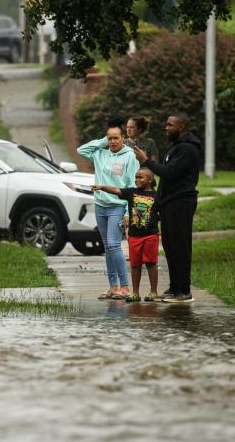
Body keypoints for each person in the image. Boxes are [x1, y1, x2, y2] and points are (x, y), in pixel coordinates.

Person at [132, 114, 202, 303]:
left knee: (181, 246)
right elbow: (165, 179)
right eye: (166, 123)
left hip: (182, 203)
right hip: (170, 203)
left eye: (170, 125)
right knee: (170, 247)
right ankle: (174, 287)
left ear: (182, 127)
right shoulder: (175, 148)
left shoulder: (188, 149)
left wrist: (147, 161)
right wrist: (159, 203)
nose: (166, 127)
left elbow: (169, 173)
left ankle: (184, 290)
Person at [78, 119, 140, 300]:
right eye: (110, 138)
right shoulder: (100, 153)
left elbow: (131, 187)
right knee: (107, 247)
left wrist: (129, 212)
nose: (113, 142)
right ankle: (113, 287)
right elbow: (81, 150)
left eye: (116, 138)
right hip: (100, 206)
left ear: (123, 138)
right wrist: (103, 142)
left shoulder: (129, 156)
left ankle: (125, 287)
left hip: (118, 207)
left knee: (114, 245)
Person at [92, 166, 161, 301]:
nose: (136, 180)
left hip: (151, 235)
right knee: (135, 264)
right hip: (135, 236)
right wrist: (102, 187)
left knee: (151, 263)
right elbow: (117, 190)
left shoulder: (157, 196)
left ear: (150, 180)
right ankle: (135, 293)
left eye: (140, 177)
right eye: (136, 177)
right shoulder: (132, 193)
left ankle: (154, 292)